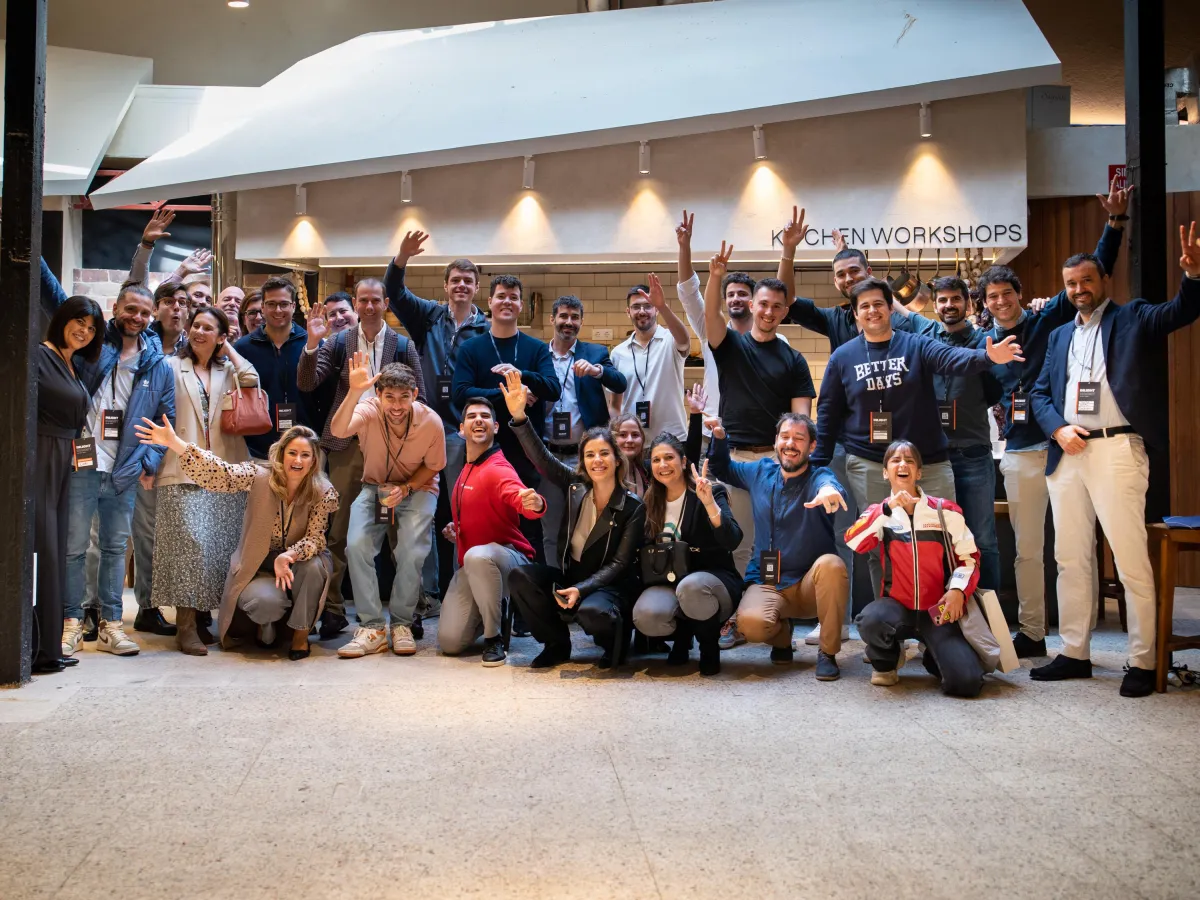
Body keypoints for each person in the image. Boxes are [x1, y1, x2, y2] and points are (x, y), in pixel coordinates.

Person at [1029, 223, 1200, 697]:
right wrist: (1058, 428)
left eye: (1086, 280)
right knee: (1069, 558)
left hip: (1117, 449)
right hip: (1067, 453)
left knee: (1129, 558)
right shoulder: (1059, 335)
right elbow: (1040, 393)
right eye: (1070, 284)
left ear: (1103, 279)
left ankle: (1143, 660)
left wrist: (1194, 277)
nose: (1079, 289)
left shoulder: (1134, 317)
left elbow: (1181, 311)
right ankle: (1074, 652)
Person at [983, 182, 1129, 657]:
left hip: (1066, 445)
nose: (1001, 301)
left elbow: (1094, 270)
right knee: (1028, 549)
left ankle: (1078, 639)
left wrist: (1114, 223)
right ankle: (1032, 633)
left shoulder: (1047, 319)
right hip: (1020, 452)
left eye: (1007, 293)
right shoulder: (983, 345)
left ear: (1020, 295)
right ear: (985, 302)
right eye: (992, 296)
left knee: (1076, 548)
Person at [811, 277, 1024, 601]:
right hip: (870, 464)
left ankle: (945, 616)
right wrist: (818, 466)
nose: (872, 311)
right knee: (881, 544)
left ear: (890, 308)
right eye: (864, 306)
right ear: (855, 313)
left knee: (944, 540)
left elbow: (951, 358)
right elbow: (827, 411)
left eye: (879, 304)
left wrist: (987, 358)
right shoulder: (843, 356)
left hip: (928, 462)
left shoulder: (916, 344)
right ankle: (889, 618)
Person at [135, 418, 338, 660]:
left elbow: (315, 539)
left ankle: (300, 637)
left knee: (315, 567)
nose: (298, 460)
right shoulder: (259, 475)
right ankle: (266, 625)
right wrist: (176, 443)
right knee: (264, 603)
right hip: (260, 565)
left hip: (299, 564)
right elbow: (221, 473)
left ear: (314, 460)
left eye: (305, 455)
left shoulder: (322, 491)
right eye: (292, 453)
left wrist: (288, 555)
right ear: (281, 454)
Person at [297, 278, 426, 638]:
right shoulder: (339, 342)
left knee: (401, 535)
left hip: (393, 450)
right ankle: (333, 609)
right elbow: (307, 383)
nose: (369, 307)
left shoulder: (403, 345)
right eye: (363, 301)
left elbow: (422, 399)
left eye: (375, 300)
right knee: (338, 532)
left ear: (386, 303)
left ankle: (409, 611)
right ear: (355, 304)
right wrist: (311, 343)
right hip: (348, 446)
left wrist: (407, 439)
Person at [60, 284, 175, 659]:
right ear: (115, 308)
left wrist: (148, 462)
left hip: (124, 470)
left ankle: (111, 625)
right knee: (75, 548)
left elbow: (166, 421)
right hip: (82, 463)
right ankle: (72, 623)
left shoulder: (157, 365)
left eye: (144, 312)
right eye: (130, 309)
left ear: (151, 316)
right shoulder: (91, 348)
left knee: (113, 549)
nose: (136, 317)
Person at [502, 371, 646, 669]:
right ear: (583, 461)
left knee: (593, 613)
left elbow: (620, 564)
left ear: (617, 459)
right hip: (572, 578)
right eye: (590, 454)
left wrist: (583, 590)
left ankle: (615, 640)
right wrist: (519, 417)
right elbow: (542, 458)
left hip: (610, 586)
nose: (597, 460)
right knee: (520, 576)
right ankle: (557, 644)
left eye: (604, 453)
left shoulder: (632, 505)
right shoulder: (575, 486)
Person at [704, 239, 815, 577]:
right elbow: (711, 315)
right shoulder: (730, 346)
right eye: (763, 304)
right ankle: (743, 602)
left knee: (775, 539)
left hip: (774, 461)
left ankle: (771, 600)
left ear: (784, 312)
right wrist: (715, 277)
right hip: (735, 458)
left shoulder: (794, 360)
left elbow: (800, 420)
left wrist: (791, 462)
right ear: (752, 306)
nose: (769, 311)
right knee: (740, 540)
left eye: (777, 306)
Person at [385, 233, 489, 595]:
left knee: (464, 511)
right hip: (424, 427)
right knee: (422, 512)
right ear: (445, 286)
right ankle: (425, 593)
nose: (461, 285)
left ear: (476, 288)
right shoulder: (428, 316)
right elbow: (395, 293)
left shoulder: (486, 329)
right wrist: (401, 257)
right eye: (455, 280)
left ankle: (464, 587)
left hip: (463, 432)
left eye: (468, 280)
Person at [709, 413, 849, 680]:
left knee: (832, 565)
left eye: (799, 438)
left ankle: (827, 653)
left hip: (809, 586)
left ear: (812, 446)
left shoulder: (820, 476)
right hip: (769, 580)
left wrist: (829, 491)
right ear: (775, 441)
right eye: (785, 437)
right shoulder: (760, 472)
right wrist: (719, 436)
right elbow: (723, 468)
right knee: (750, 624)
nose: (790, 444)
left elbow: (829, 485)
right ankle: (782, 638)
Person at [152, 307, 259, 655]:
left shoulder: (228, 369)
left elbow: (252, 379)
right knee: (190, 548)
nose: (198, 331)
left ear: (221, 336)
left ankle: (203, 620)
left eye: (208, 328)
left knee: (217, 549)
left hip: (225, 469)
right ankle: (185, 627)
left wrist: (228, 350)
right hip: (180, 466)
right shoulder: (170, 366)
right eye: (195, 325)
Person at [845, 440, 986, 698]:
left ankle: (934, 656)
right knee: (870, 620)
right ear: (885, 472)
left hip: (937, 611)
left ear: (919, 473)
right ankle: (886, 660)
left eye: (909, 461)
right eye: (895, 460)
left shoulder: (946, 511)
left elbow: (970, 558)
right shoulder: (880, 513)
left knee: (966, 684)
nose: (903, 465)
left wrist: (957, 591)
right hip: (896, 608)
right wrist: (887, 509)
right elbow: (854, 541)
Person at [329, 357, 445, 659]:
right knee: (356, 546)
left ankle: (402, 623)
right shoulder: (368, 409)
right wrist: (354, 392)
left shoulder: (431, 421)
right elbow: (338, 430)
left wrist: (406, 488)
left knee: (411, 551)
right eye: (389, 397)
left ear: (415, 394)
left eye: (404, 397)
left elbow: (434, 466)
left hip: (418, 487)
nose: (396, 405)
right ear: (378, 395)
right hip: (375, 486)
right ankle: (373, 628)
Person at [452, 274, 560, 559]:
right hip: (482, 451)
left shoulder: (536, 348)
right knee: (480, 524)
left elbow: (553, 388)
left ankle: (531, 585)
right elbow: (460, 393)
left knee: (528, 525)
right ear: (489, 302)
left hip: (526, 451)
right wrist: (512, 394)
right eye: (501, 296)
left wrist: (523, 375)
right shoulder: (471, 348)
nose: (507, 302)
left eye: (513, 297)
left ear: (521, 305)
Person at [439, 396, 546, 665]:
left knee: (477, 556)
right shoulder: (467, 467)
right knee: (450, 643)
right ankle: (490, 605)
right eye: (472, 416)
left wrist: (536, 504)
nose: (479, 420)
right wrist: (458, 530)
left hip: (510, 561)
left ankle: (493, 637)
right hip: (476, 564)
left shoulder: (498, 468)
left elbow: (523, 501)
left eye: (485, 416)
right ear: (461, 430)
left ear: (496, 427)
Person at [631, 436, 742, 676]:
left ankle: (708, 647)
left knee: (691, 587)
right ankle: (683, 636)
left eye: (669, 458)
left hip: (712, 581)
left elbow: (732, 540)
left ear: (683, 462)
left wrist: (709, 503)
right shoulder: (650, 501)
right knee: (647, 615)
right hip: (670, 581)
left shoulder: (710, 491)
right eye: (656, 460)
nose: (663, 465)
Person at [32, 298, 103, 674]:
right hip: (41, 456)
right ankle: (33, 648)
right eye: (79, 322)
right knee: (42, 547)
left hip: (63, 460)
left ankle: (48, 646)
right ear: (62, 319)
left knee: (56, 548)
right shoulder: (38, 356)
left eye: (91, 328)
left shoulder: (71, 364)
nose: (85, 331)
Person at [924, 276, 1004, 592]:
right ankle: (945, 612)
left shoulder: (985, 342)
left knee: (982, 538)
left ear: (967, 303)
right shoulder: (925, 343)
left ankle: (989, 612)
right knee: (938, 539)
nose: (949, 305)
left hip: (973, 453)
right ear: (935, 306)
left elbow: (996, 391)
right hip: (933, 459)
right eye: (942, 300)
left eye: (955, 299)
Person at [537, 294, 628, 563]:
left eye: (575, 317)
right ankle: (554, 581)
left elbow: (619, 382)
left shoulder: (595, 353)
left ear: (581, 322)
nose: (569, 322)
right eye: (563, 316)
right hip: (547, 455)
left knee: (587, 527)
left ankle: (583, 581)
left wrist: (597, 371)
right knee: (551, 528)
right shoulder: (539, 354)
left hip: (585, 457)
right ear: (552, 319)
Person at [233, 275, 311, 460]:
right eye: (271, 304)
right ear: (263, 307)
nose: (278, 310)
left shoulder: (310, 344)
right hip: (256, 450)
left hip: (304, 448)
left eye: (284, 304)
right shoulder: (242, 348)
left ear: (293, 306)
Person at [607, 274, 691, 442]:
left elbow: (684, 340)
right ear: (628, 312)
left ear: (656, 310)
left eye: (648, 306)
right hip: (634, 442)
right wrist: (619, 436)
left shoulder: (670, 341)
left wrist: (662, 305)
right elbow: (614, 404)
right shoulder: (618, 353)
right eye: (636, 307)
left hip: (672, 439)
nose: (642, 311)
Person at [611, 413, 650, 498]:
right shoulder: (604, 473)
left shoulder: (648, 470)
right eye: (622, 435)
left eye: (635, 435)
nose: (630, 440)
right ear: (611, 439)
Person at [151, 282, 190, 354]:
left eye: (182, 303)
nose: (177, 307)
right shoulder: (139, 341)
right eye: (169, 302)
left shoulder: (192, 353)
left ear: (188, 313)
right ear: (154, 309)